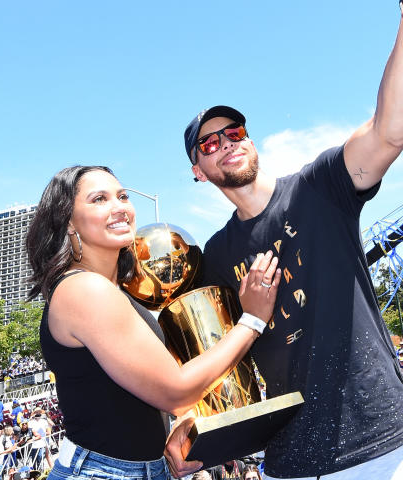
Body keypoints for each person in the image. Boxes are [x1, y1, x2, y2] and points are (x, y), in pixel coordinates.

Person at [167, 0, 403, 480]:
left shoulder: (319, 189)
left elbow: (392, 127)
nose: (226, 143)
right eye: (208, 144)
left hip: (386, 448)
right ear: (197, 169)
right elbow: (213, 362)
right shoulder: (214, 258)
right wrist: (191, 432)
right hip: (290, 464)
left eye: (233, 131)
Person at [25, 165, 281, 480]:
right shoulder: (83, 289)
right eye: (99, 199)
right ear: (68, 222)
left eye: (122, 196)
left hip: (145, 469)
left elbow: (147, 392)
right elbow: (176, 391)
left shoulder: (111, 290)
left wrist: (181, 421)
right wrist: (253, 319)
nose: (119, 207)